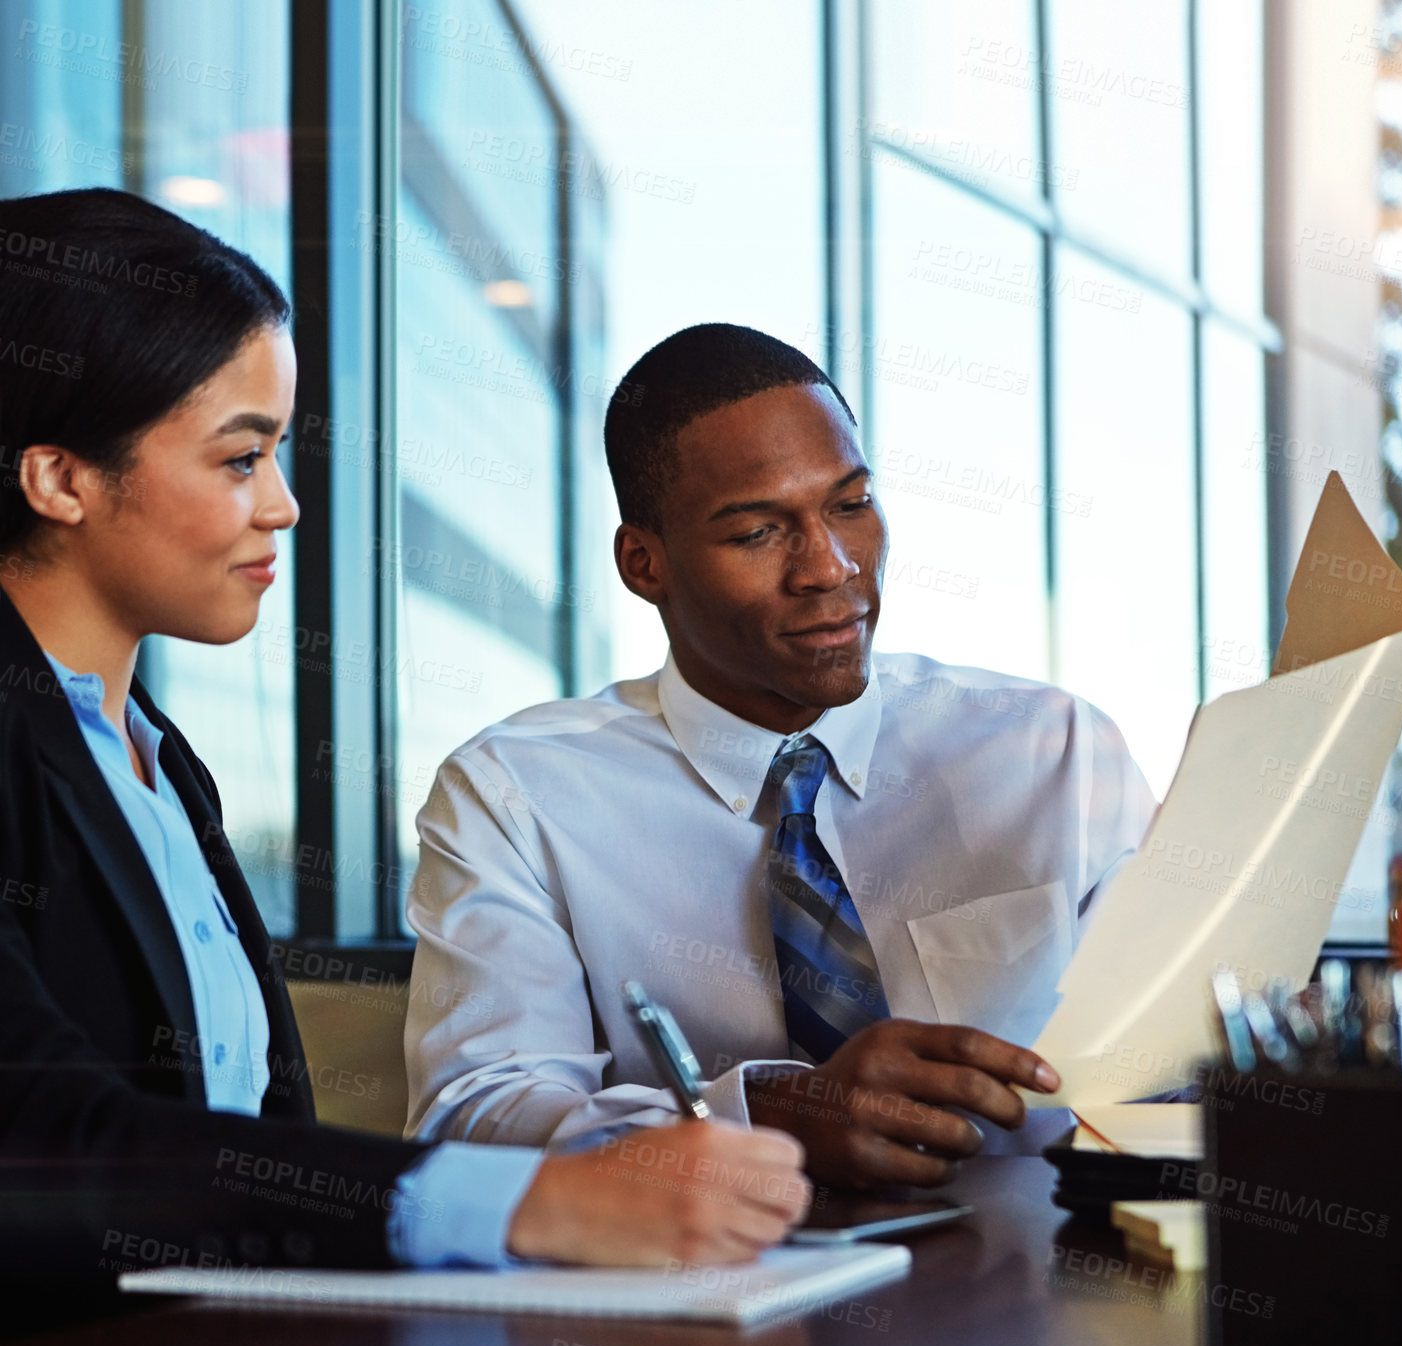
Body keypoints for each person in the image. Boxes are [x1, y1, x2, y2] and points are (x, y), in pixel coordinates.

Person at [0, 193, 808, 1281]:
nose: (283, 506)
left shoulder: (157, 762)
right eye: (241, 459)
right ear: (60, 478)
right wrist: (537, 1200)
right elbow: (37, 1136)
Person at [404, 322, 1158, 1187]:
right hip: (702, 1297)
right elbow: (471, 1117)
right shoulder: (516, 794)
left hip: (1038, 1276)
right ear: (644, 563)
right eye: (760, 532)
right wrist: (767, 1118)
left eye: (849, 505)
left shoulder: (1055, 752)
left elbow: (1175, 1070)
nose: (830, 568)